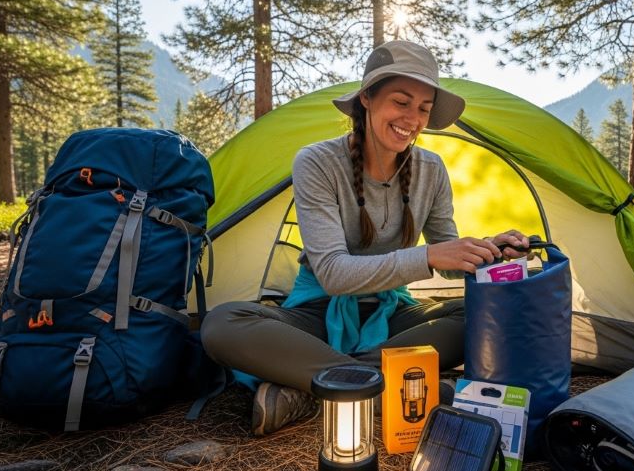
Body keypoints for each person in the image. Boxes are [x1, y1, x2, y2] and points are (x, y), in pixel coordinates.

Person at [201, 40, 530, 436]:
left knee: (481, 314)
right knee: (222, 324)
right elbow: (334, 275)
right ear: (367, 99)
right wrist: (427, 256)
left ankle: (310, 387)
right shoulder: (318, 162)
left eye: (424, 109)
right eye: (401, 102)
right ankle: (400, 387)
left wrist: (489, 252)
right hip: (318, 310)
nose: (413, 118)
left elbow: (449, 266)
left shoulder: (432, 170)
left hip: (392, 314)